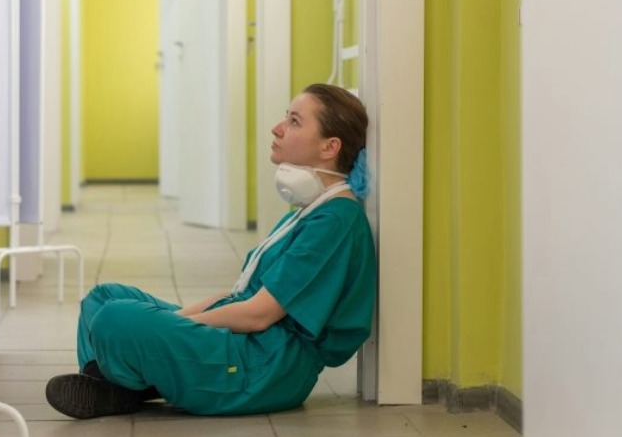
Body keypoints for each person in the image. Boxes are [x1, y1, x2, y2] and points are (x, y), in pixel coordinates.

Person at [45, 83, 376, 418]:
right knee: (102, 299)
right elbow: (240, 294)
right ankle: (128, 386)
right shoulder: (312, 210)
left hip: (264, 367)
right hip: (247, 347)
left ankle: (121, 384)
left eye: (294, 121)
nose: (277, 128)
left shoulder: (335, 222)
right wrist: (171, 325)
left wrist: (179, 329)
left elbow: (258, 315)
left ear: (329, 146)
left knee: (115, 320)